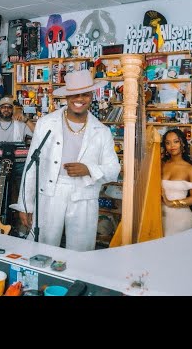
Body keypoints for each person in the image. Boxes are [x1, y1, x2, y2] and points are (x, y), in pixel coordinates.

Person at [10, 69, 120, 252]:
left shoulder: (102, 131)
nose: (80, 99)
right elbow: (31, 167)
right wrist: (25, 205)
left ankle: (78, 280)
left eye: (85, 94)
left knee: (81, 250)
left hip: (84, 194)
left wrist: (88, 169)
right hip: (50, 192)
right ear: (67, 97)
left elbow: (113, 169)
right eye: (74, 94)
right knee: (42, 246)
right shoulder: (46, 124)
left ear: (92, 96)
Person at [161, 128, 192, 236]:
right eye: (168, 143)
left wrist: (171, 203)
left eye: (176, 141)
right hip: (160, 217)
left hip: (181, 220)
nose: (172, 146)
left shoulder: (190, 169)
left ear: (182, 143)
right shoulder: (160, 165)